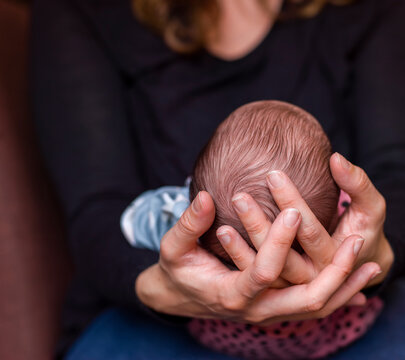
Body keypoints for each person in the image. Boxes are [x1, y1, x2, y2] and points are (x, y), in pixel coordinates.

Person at [31, 0, 405, 358]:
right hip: (157, 307)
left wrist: (366, 254)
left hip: (355, 298)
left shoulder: (177, 210)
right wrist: (167, 285)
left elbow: (403, 178)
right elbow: (97, 213)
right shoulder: (82, 10)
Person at [121, 100, 384, 359]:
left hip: (220, 338)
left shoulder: (184, 229)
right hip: (332, 335)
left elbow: (132, 222)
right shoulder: (344, 216)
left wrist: (170, 207)